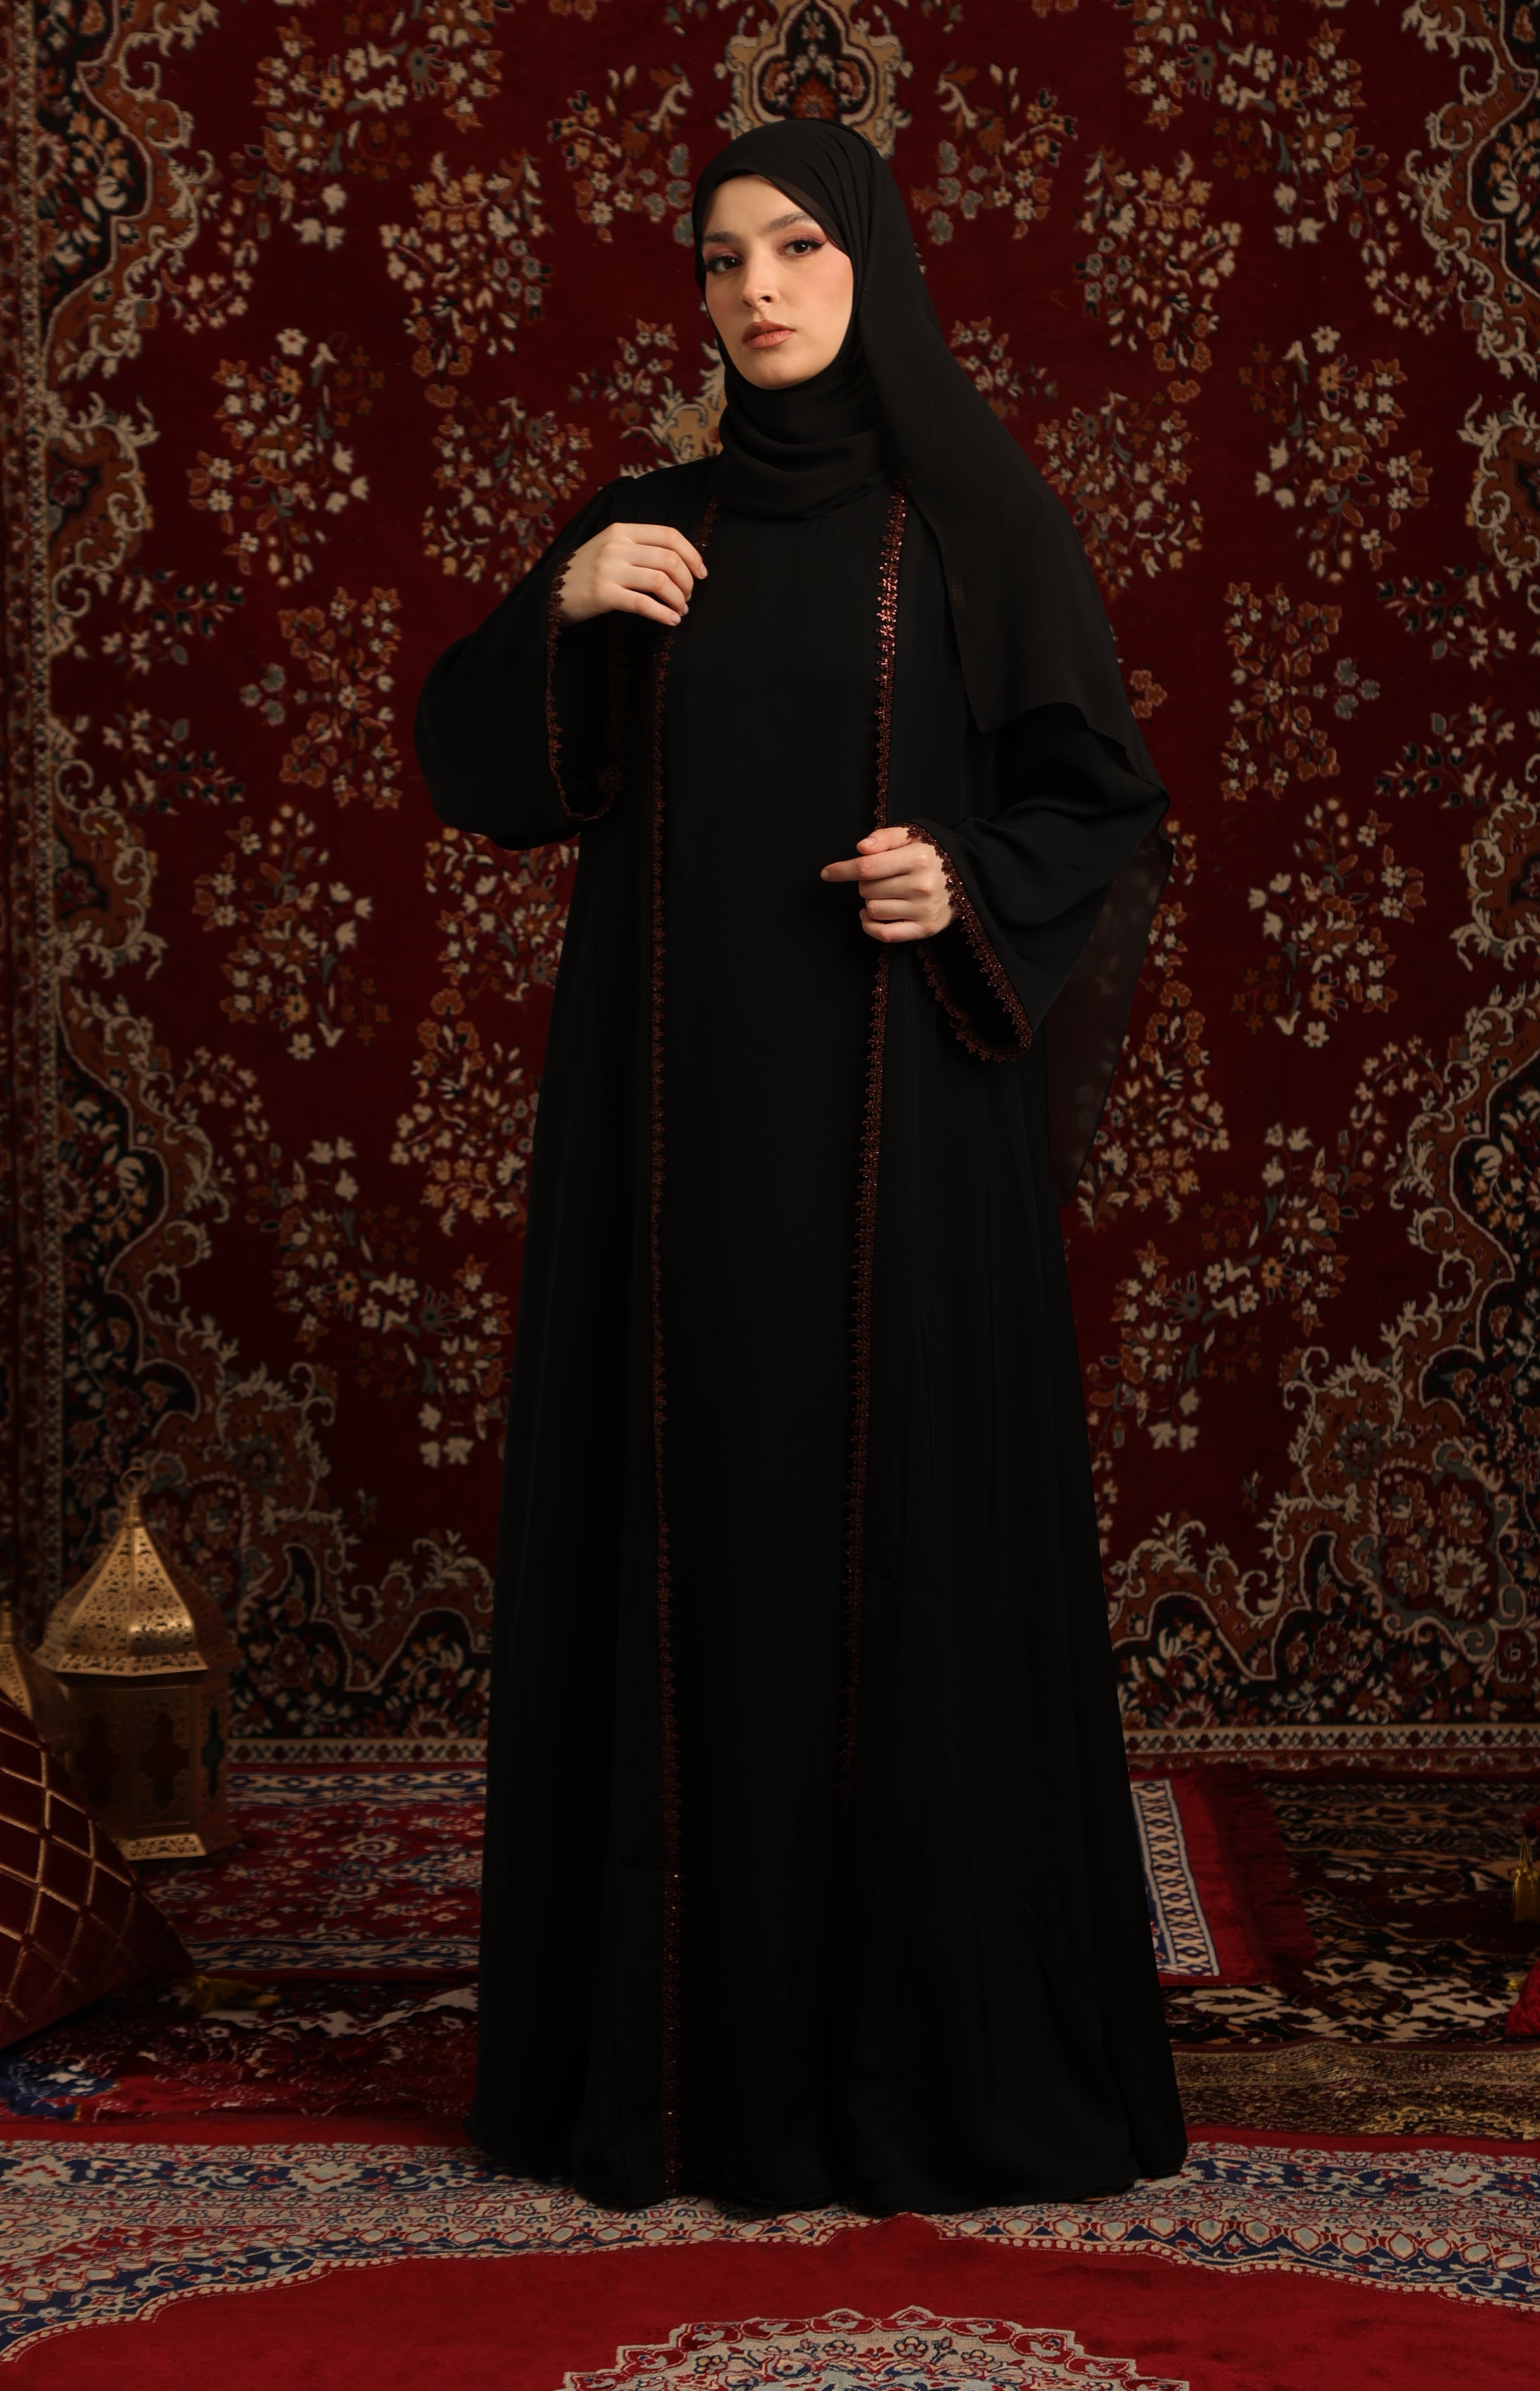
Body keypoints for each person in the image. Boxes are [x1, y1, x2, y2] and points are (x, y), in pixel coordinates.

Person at [415, 118, 1186, 2214]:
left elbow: (1099, 801)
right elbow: (481, 767)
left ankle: (912, 2071)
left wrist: (967, 881)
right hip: (667, 1164)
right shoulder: (644, 532)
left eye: (798, 247)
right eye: (720, 257)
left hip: (895, 1154)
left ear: (876, 268)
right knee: (694, 1537)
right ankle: (680, 2081)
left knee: (893, 1544)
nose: (754, 288)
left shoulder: (973, 527)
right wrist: (562, 605)